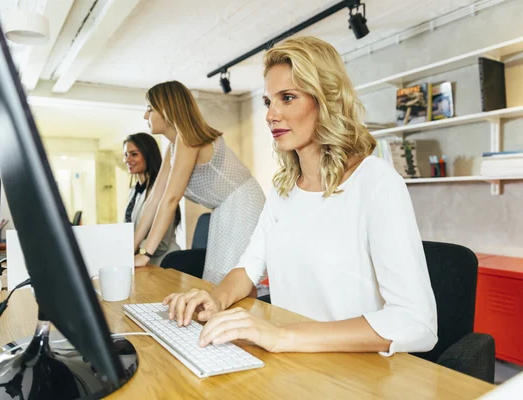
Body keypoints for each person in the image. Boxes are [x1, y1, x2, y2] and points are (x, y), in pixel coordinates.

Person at [163, 36, 438, 355]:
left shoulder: (376, 183)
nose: (270, 115)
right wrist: (215, 298)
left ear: (327, 100)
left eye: (288, 97)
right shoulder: (283, 189)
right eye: (268, 102)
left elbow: (417, 324)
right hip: (293, 363)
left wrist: (282, 336)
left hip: (360, 372)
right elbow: (249, 266)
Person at [133, 81, 266, 285]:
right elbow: (154, 199)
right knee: (217, 278)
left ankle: (245, 316)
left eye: (150, 108)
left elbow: (171, 199)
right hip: (223, 208)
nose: (145, 116)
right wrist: (131, 249)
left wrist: (145, 253)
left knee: (233, 277)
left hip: (243, 202)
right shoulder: (174, 146)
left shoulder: (188, 139)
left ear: (167, 109)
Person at [123, 133, 180, 266]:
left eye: (134, 154)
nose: (127, 159)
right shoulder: (134, 191)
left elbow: (162, 243)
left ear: (148, 155)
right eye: (126, 154)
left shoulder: (160, 191)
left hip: (164, 262)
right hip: (140, 262)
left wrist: (137, 250)